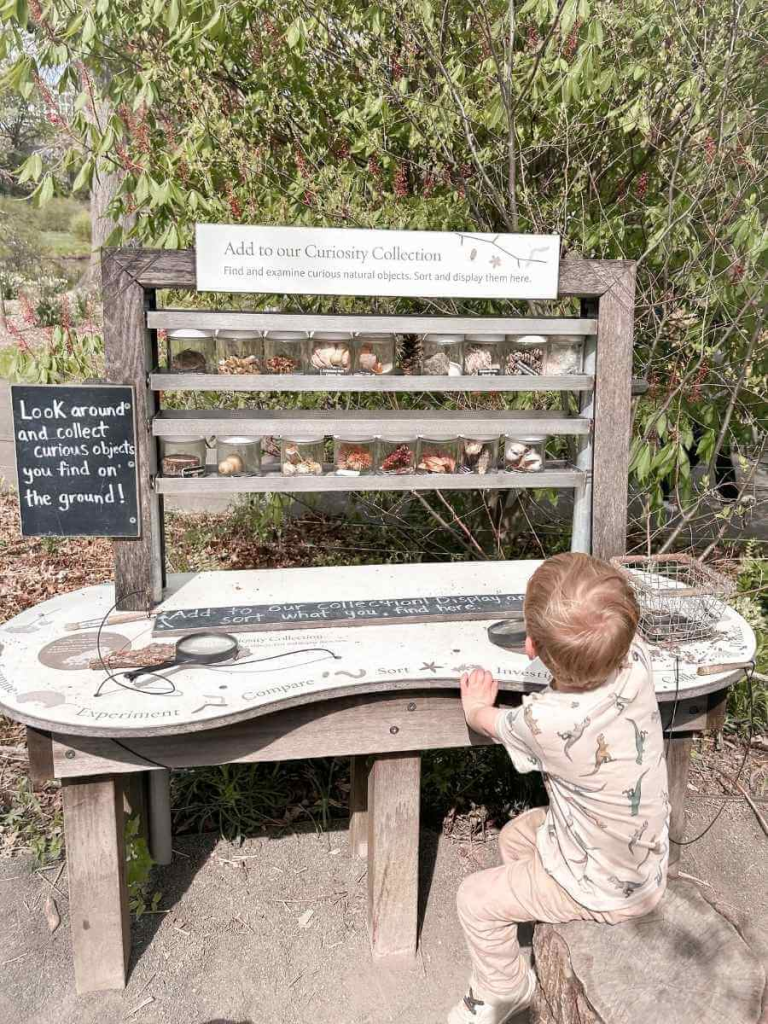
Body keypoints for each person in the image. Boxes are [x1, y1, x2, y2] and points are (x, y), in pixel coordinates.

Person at [448, 553, 669, 1024]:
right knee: (517, 835)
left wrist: (473, 708)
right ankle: (544, 919)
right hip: (641, 860)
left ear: (530, 647)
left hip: (602, 885)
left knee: (474, 898)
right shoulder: (638, 667)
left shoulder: (545, 720)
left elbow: (492, 722)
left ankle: (505, 989)